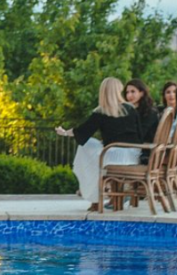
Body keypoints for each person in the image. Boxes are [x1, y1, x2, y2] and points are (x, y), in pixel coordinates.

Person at [56, 77, 142, 211]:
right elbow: (139, 134)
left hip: (114, 156)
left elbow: (82, 132)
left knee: (86, 148)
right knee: (93, 149)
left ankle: (95, 199)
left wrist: (65, 133)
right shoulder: (131, 109)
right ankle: (105, 197)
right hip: (134, 154)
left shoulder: (101, 112)